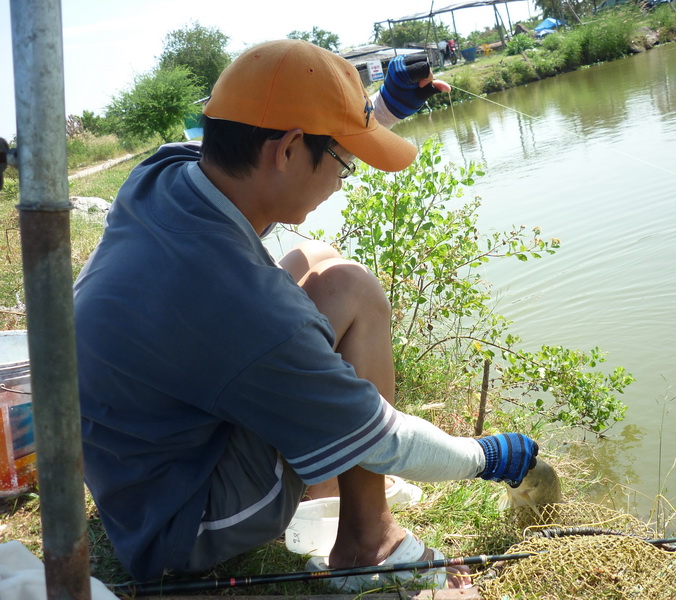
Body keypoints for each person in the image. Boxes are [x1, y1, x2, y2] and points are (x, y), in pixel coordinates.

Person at [74, 39, 539, 591]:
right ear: (289, 148)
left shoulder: (168, 173)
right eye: (343, 158)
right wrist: (486, 456)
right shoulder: (245, 307)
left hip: (128, 467)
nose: (346, 177)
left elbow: (267, 177)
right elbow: (382, 438)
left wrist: (379, 110)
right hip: (179, 522)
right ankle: (369, 540)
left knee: (318, 260)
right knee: (356, 292)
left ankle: (327, 490)